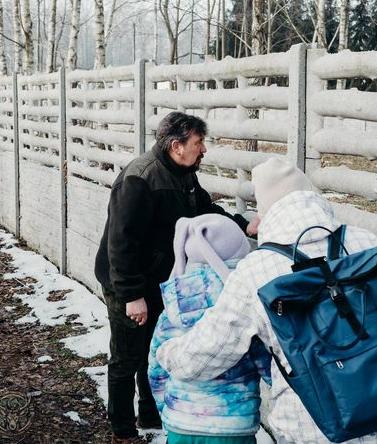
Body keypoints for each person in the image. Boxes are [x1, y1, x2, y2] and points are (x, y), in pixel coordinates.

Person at [156, 157, 377, 444]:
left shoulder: (256, 270)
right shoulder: (368, 242)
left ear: (266, 210)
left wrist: (167, 351)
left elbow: (205, 357)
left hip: (317, 428)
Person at [94, 111, 257, 444]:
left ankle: (151, 415)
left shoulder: (183, 173)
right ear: (176, 145)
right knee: (127, 357)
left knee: (155, 348)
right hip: (127, 282)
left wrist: (242, 225)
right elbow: (121, 243)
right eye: (199, 143)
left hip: (158, 279)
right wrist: (131, 295)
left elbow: (205, 211)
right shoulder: (140, 179)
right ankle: (122, 431)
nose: (204, 150)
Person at [148, 213, 271, 444]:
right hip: (234, 427)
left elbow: (156, 369)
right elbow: (266, 363)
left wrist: (171, 410)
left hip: (180, 426)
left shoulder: (172, 310)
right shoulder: (242, 306)